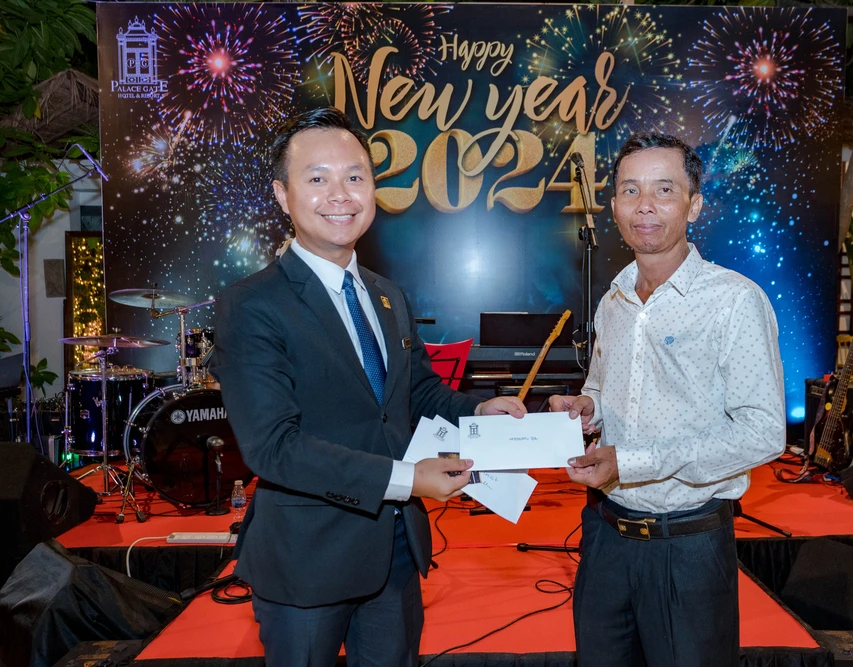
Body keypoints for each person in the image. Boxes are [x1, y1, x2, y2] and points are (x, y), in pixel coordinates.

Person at [212, 107, 526, 667]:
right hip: (307, 559)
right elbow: (273, 448)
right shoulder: (252, 304)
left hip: (395, 552)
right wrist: (408, 480)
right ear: (283, 195)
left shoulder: (387, 295)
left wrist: (482, 413)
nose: (341, 194)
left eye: (355, 176)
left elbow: (417, 395)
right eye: (318, 178)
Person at [549, 132, 786, 666]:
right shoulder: (614, 299)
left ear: (693, 205)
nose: (645, 206)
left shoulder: (734, 301)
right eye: (630, 190)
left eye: (664, 189)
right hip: (605, 537)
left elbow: (764, 433)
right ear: (614, 206)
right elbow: (602, 388)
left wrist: (633, 462)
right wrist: (588, 409)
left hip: (689, 546)